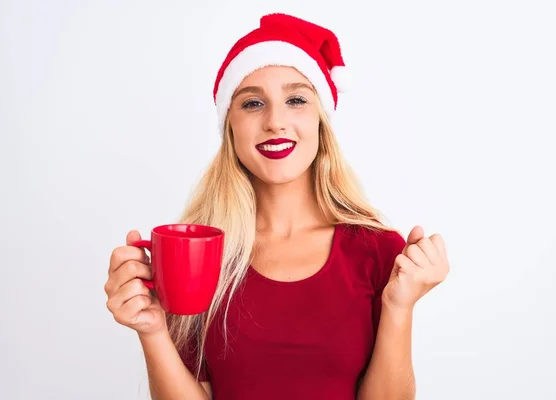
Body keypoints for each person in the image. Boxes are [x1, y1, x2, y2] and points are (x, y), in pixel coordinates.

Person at [104, 13, 450, 400]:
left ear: (320, 121)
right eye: (252, 103)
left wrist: (399, 307)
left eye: (296, 100)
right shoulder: (199, 254)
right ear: (229, 125)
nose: (275, 121)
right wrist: (152, 330)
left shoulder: (378, 250)